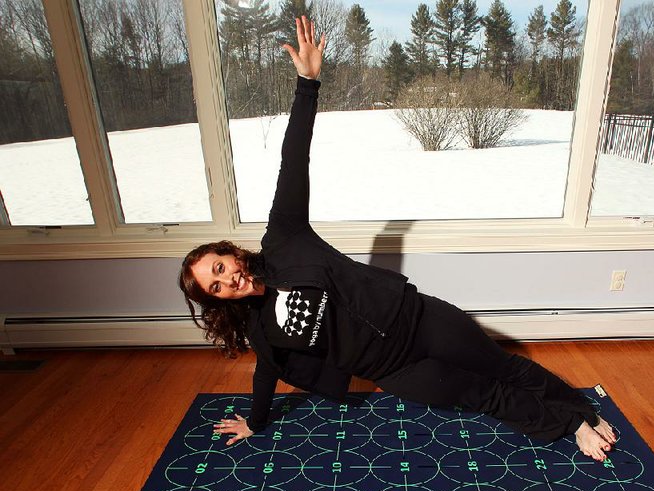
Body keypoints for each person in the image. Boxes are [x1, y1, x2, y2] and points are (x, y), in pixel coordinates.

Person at [179, 17, 616, 462]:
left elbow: (294, 161)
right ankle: (570, 425)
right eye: (215, 288)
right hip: (396, 369)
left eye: (219, 268)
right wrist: (255, 421)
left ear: (230, 254)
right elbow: (267, 372)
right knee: (483, 395)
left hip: (420, 319)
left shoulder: (284, 238)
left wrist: (307, 84)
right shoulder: (262, 330)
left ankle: (581, 411)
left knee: (503, 367)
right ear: (221, 302)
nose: (227, 280)